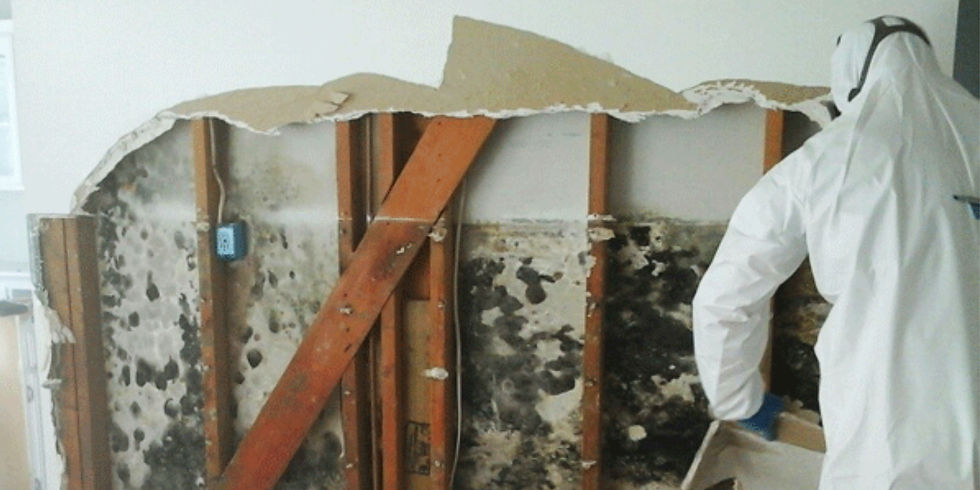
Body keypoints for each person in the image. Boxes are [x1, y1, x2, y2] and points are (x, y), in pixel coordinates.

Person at [692, 16, 979, 489]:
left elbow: (727, 296)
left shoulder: (825, 159)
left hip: (885, 443)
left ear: (851, 73)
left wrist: (739, 401)